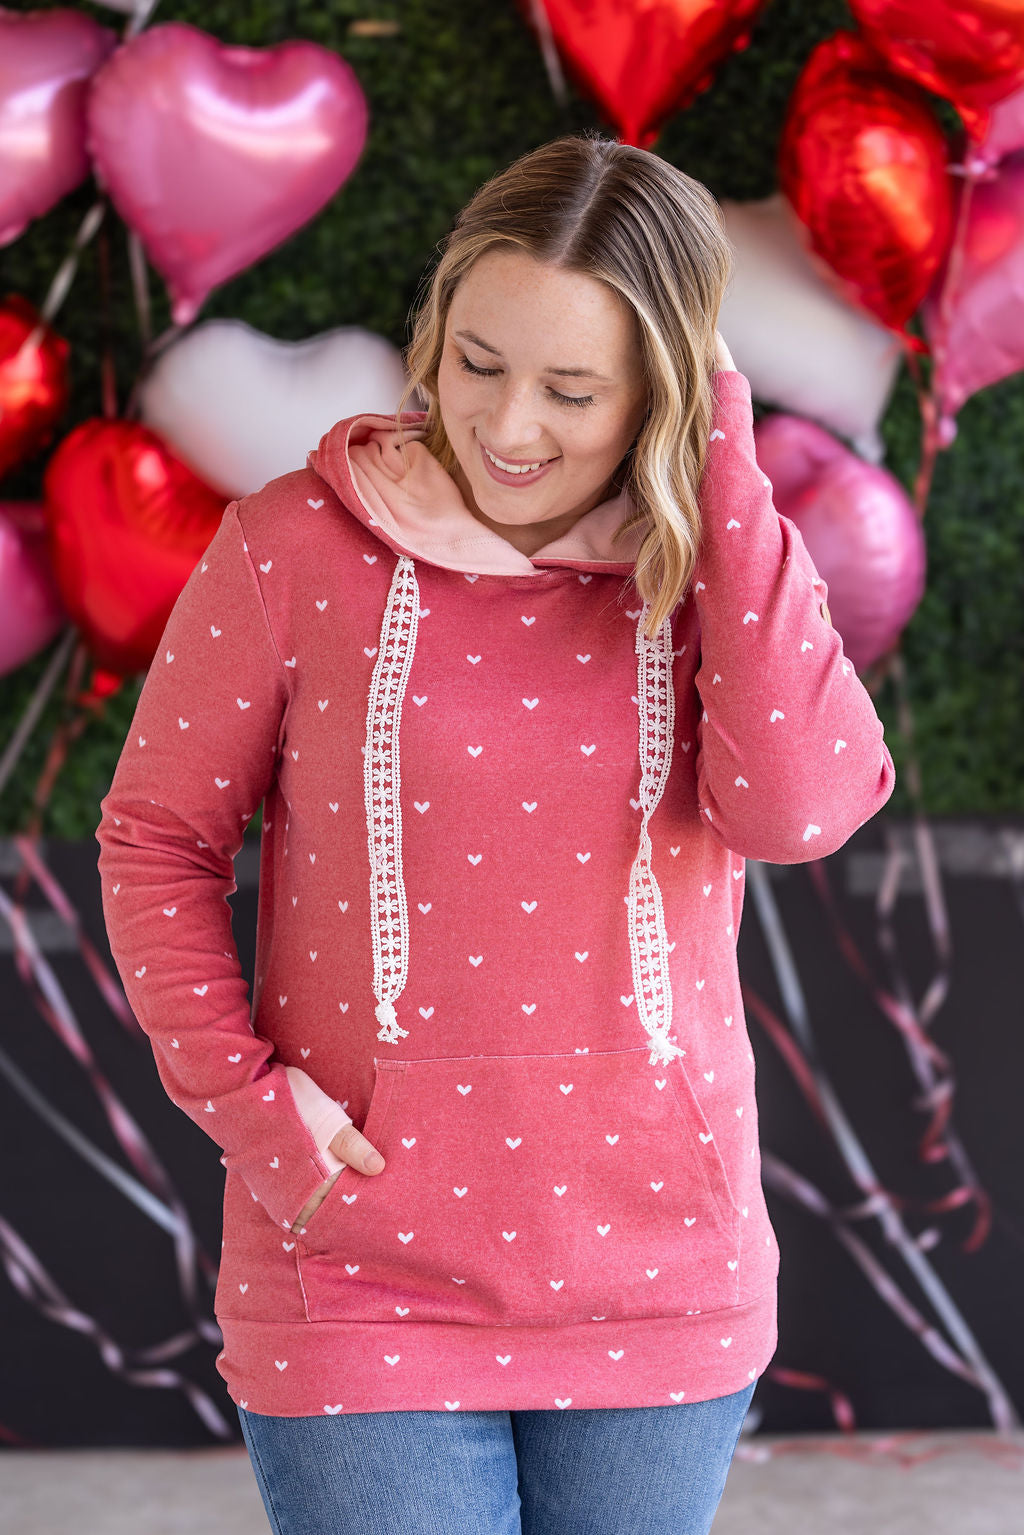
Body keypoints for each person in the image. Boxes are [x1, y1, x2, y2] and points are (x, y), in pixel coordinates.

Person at [95, 131, 896, 1533]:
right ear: (437, 327)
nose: (509, 425)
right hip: (353, 1258)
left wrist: (724, 477)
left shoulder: (715, 574)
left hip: (662, 1267)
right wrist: (246, 1102)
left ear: (662, 387)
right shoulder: (294, 550)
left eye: (574, 389)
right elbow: (156, 836)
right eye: (479, 361)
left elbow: (803, 808)